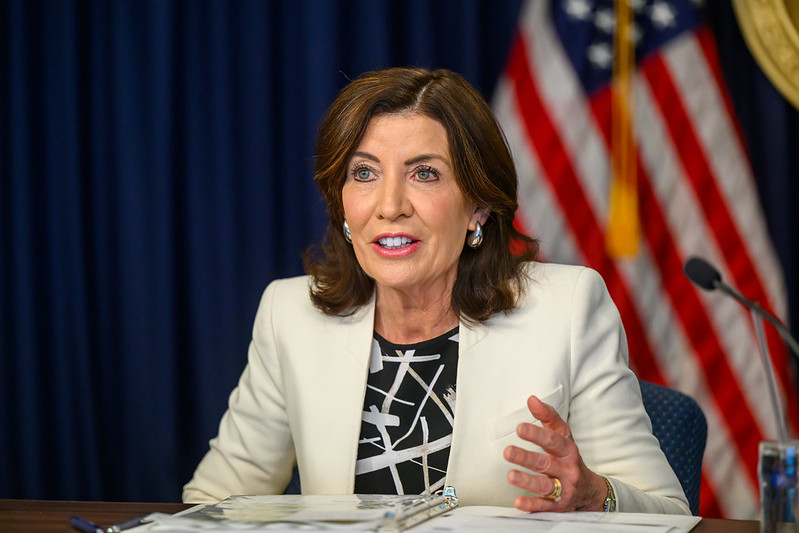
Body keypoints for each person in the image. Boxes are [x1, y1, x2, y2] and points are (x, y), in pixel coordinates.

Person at [183, 66, 690, 515]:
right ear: (341, 205)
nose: (389, 205)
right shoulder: (290, 314)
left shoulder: (569, 308)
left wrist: (596, 495)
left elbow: (668, 511)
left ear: (478, 208)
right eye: (364, 173)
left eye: (424, 174)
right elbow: (212, 503)